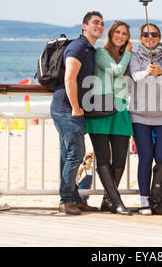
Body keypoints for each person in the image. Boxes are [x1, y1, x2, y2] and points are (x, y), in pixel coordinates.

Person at [50, 11, 104, 215]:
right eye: (95, 23)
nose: (99, 26)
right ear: (84, 26)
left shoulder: (89, 49)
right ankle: (65, 200)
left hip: (70, 109)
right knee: (76, 154)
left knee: (68, 155)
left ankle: (74, 198)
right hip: (66, 108)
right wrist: (75, 107)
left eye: (101, 23)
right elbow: (70, 78)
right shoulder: (78, 46)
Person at [129, 23, 162, 215]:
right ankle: (144, 201)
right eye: (145, 34)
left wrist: (160, 72)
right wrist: (148, 72)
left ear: (160, 38)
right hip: (139, 115)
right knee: (145, 157)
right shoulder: (134, 57)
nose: (150, 37)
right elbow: (135, 76)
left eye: (154, 34)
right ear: (140, 37)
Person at [85, 20, 133, 215]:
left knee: (121, 157)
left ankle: (108, 200)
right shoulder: (101, 53)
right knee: (103, 158)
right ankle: (117, 202)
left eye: (124, 34)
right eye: (117, 32)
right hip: (101, 109)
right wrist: (129, 53)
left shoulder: (125, 57)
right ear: (111, 34)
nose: (120, 36)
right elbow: (117, 70)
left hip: (120, 110)